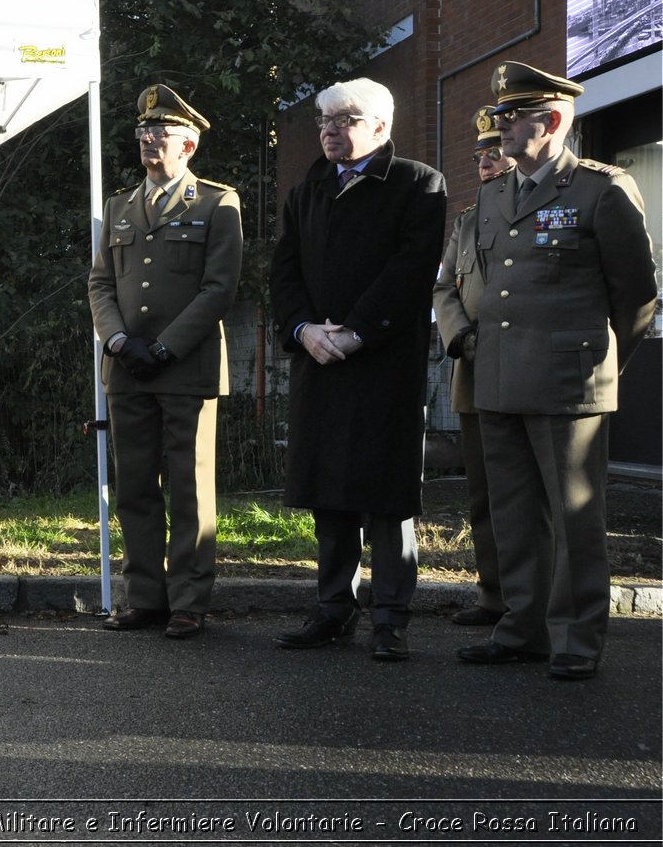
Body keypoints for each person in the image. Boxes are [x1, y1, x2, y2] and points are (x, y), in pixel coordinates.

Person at [456, 61, 657, 681]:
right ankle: (523, 628)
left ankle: (576, 637)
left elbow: (637, 296)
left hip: (570, 380)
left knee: (575, 518)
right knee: (514, 512)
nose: (500, 125)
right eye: (500, 115)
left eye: (513, 116)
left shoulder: (602, 188)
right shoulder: (492, 194)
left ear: (554, 120)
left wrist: (602, 366)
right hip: (498, 378)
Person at [269, 77, 446, 661]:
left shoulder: (417, 184)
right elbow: (284, 274)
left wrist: (357, 332)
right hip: (319, 359)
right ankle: (332, 609)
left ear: (380, 126)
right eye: (324, 119)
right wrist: (304, 331)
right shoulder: (307, 190)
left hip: (382, 364)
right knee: (330, 494)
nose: (329, 130)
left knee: (388, 496)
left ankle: (391, 617)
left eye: (344, 119)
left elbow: (411, 269)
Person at [88, 84, 242, 639]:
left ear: (190, 145)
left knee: (188, 489)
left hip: (185, 369)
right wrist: (117, 341)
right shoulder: (118, 206)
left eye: (163, 134)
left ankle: (189, 601)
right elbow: (100, 283)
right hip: (127, 369)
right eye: (144, 133)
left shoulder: (217, 203)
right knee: (134, 487)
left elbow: (219, 289)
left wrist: (164, 348)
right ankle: (144, 596)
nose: (150, 141)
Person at [432, 110, 515, 627]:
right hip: (476, 369)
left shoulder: (541, 207)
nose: (486, 164)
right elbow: (443, 287)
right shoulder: (465, 222)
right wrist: (459, 334)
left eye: (495, 153)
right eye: (479, 157)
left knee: (532, 493)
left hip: (530, 368)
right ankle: (494, 595)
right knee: (483, 492)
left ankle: (541, 601)